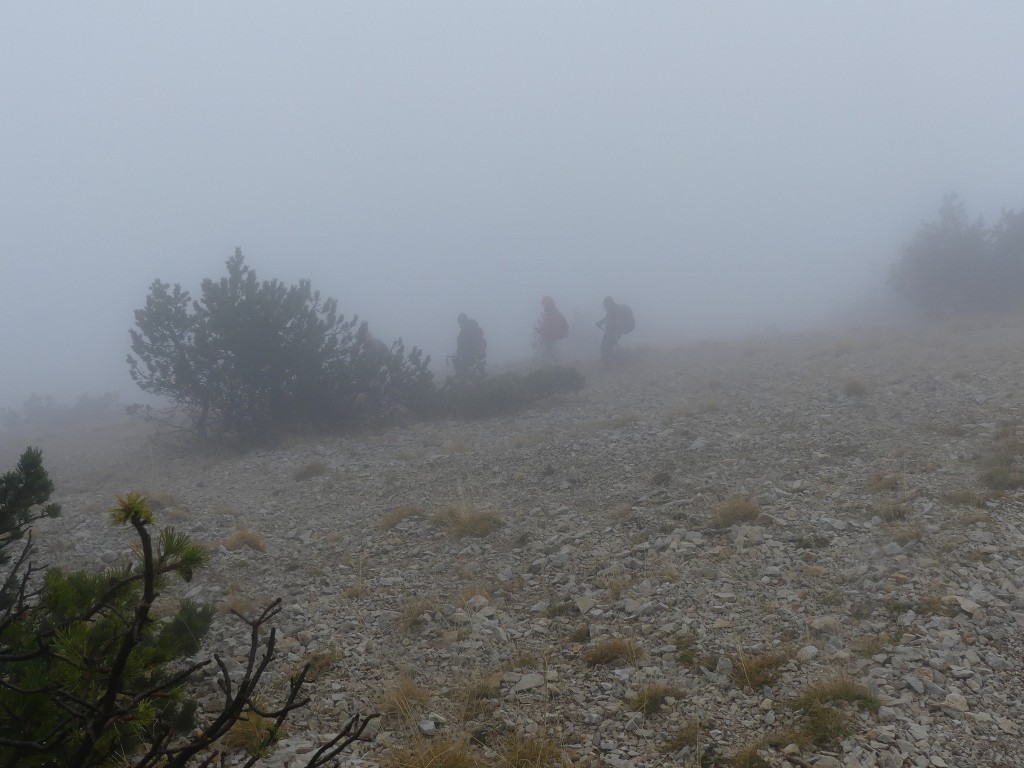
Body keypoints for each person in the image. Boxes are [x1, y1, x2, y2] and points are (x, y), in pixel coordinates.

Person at [595, 295, 634, 365]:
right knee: (606, 348)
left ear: (609, 303)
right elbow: (607, 319)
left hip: (614, 332)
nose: (604, 306)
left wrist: (616, 335)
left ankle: (612, 364)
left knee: (606, 348)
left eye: (605, 304)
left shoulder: (617, 311)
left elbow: (619, 325)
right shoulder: (611, 310)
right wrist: (600, 322)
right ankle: (614, 362)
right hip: (612, 331)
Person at [533, 295, 569, 363]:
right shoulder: (551, 313)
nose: (543, 306)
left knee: (547, 352)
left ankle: (551, 366)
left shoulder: (552, 314)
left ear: (548, 304)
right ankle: (553, 365)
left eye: (544, 304)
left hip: (551, 336)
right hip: (551, 336)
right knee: (549, 351)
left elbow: (550, 326)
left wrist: (543, 331)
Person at [451, 312, 487, 378]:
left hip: (472, 353)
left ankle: (468, 379)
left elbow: (471, 343)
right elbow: (461, 343)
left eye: (460, 321)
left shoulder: (470, 329)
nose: (459, 323)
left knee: (463, 365)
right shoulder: (465, 329)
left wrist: (476, 354)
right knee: (462, 364)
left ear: (463, 320)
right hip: (469, 353)